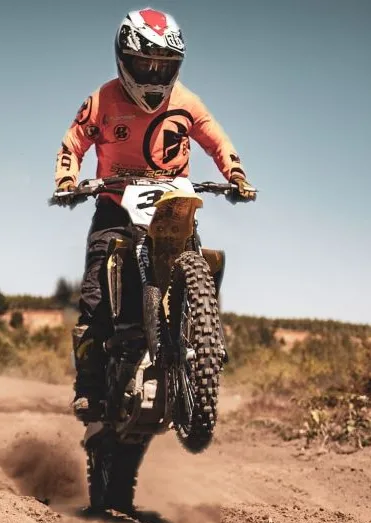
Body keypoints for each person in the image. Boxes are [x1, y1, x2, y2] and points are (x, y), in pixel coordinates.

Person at [54, 8, 256, 421]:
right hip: (114, 204)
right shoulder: (102, 100)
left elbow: (215, 136)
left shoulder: (186, 101)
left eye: (164, 66)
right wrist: (67, 180)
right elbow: (72, 143)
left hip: (171, 201)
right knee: (94, 294)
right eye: (145, 63)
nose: (153, 74)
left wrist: (235, 171)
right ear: (124, 59)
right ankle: (89, 385)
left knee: (198, 257)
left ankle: (202, 340)